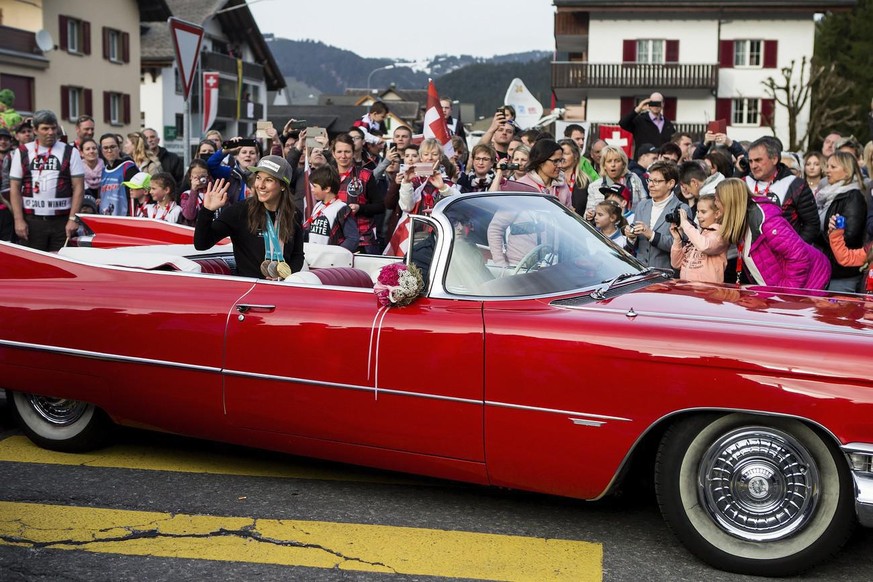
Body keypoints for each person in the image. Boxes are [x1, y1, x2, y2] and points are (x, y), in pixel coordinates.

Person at [195, 156, 304, 279]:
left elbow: (297, 255)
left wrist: (285, 277)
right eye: (258, 178)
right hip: (248, 290)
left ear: (283, 186)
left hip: (281, 290)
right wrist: (207, 211)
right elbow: (201, 244)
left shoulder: (294, 214)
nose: (260, 185)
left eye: (268, 180)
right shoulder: (240, 211)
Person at [716, 178, 830, 289]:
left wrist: (786, 292)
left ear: (729, 202)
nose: (715, 204)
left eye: (717, 199)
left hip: (813, 281)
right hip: (781, 293)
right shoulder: (742, 221)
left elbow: (799, 256)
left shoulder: (767, 222)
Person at [8, 109, 84, 251]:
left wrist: (73, 219)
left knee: (61, 265)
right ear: (35, 130)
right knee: (33, 265)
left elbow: (78, 187)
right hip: (32, 220)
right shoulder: (23, 151)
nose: (51, 132)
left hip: (62, 220)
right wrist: (18, 220)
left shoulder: (70, 151)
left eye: (53, 128)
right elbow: (15, 188)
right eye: (45, 128)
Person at [744, 137, 819, 244]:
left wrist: (795, 249)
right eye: (750, 161)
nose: (753, 166)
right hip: (752, 257)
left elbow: (812, 225)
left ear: (774, 159)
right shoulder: (744, 183)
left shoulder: (796, 185)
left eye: (758, 160)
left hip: (786, 256)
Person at [624, 160, 690, 271]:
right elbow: (635, 246)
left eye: (656, 181)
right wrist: (631, 237)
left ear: (671, 183)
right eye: (649, 180)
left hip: (665, 275)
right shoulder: (642, 205)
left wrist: (652, 235)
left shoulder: (682, 209)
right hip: (640, 272)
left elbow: (682, 246)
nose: (650, 185)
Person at [817, 152, 867, 292]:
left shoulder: (853, 196)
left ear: (847, 172)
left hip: (842, 272)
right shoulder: (828, 194)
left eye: (833, 167)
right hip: (827, 266)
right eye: (827, 166)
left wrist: (819, 236)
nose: (827, 170)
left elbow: (850, 236)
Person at [332, 133, 383, 253]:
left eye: (347, 152)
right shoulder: (328, 175)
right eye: (339, 152)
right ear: (333, 154)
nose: (343, 156)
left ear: (353, 153)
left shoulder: (365, 175)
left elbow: (380, 206)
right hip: (335, 240)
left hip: (363, 239)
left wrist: (360, 208)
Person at [669, 193, 728, 283]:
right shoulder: (697, 235)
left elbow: (704, 246)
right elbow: (676, 264)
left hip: (709, 292)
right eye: (697, 211)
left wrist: (685, 223)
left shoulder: (721, 234)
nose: (699, 216)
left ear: (717, 214)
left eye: (703, 212)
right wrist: (677, 240)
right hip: (687, 290)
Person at [303, 165, 359, 252]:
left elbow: (352, 239)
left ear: (327, 189)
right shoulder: (318, 206)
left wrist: (335, 254)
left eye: (315, 186)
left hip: (330, 261)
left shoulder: (341, 208)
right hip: (313, 257)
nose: (312, 190)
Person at [587, 145, 646, 215]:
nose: (613, 165)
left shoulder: (634, 179)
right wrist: (589, 215)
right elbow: (588, 214)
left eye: (617, 161)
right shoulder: (594, 186)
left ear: (623, 164)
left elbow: (644, 204)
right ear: (604, 166)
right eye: (609, 161)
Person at [514, 139, 572, 208]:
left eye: (560, 160)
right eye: (555, 161)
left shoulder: (563, 185)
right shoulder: (521, 186)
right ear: (541, 161)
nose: (560, 165)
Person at [207, 137, 260, 203]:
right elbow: (211, 164)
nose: (248, 155)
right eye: (244, 152)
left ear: (257, 157)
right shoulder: (229, 173)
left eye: (252, 153)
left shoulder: (261, 176)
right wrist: (226, 150)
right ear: (237, 157)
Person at [98, 133, 139, 216]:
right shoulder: (104, 170)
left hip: (124, 217)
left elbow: (137, 195)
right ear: (101, 150)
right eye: (105, 148)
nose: (109, 151)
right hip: (106, 218)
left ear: (119, 148)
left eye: (112, 147)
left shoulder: (128, 167)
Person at [557, 138, 590, 214]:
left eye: (566, 154)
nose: (562, 157)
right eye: (560, 154)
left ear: (575, 156)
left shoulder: (584, 181)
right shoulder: (553, 180)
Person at [179, 159, 210, 225]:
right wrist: (194, 190)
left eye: (203, 176)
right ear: (190, 177)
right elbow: (189, 215)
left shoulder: (214, 192)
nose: (200, 180)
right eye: (196, 177)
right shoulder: (186, 194)